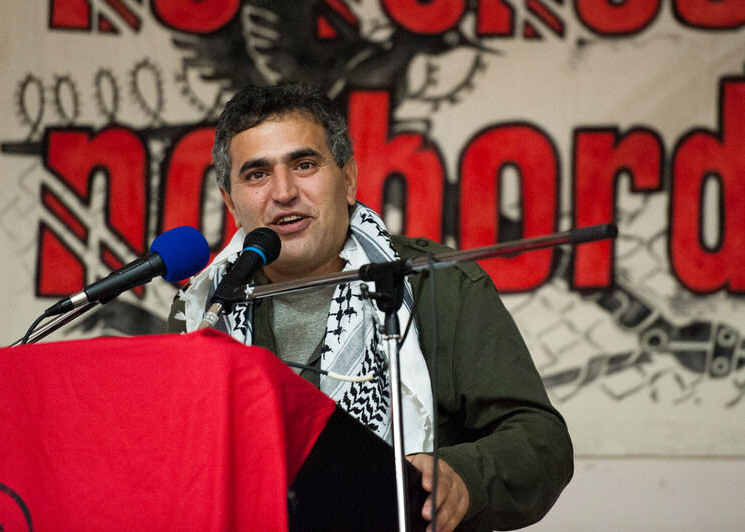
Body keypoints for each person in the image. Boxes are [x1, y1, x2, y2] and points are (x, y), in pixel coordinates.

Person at [167, 83, 573, 531]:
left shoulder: (435, 284)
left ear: (348, 180)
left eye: (304, 164)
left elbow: (542, 442)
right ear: (231, 201)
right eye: (257, 174)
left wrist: (463, 475)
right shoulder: (204, 312)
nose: (283, 192)